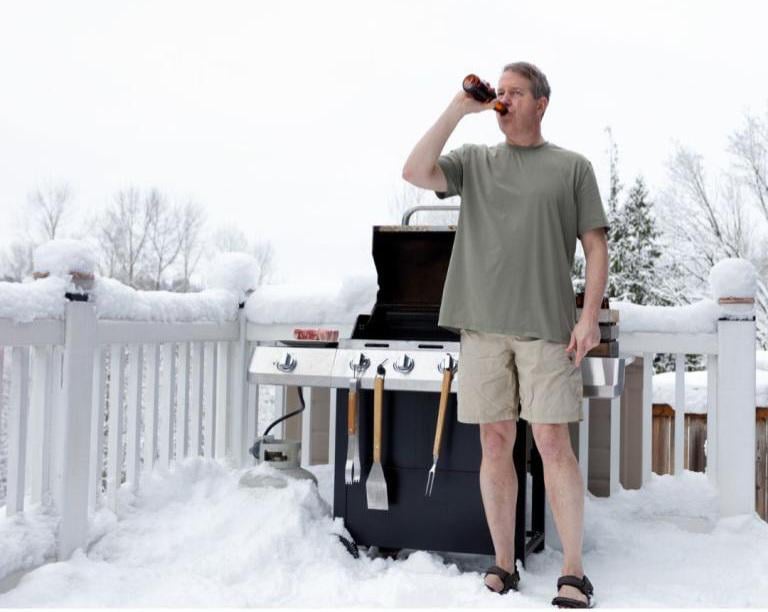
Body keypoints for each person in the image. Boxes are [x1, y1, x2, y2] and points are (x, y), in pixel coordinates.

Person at [402, 62, 609, 608]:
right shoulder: (475, 161)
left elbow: (595, 246)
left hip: (546, 329)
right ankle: (502, 562)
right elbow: (415, 172)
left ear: (541, 103)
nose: (505, 99)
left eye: (516, 92)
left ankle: (573, 572)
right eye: (502, 91)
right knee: (495, 443)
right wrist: (458, 108)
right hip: (483, 328)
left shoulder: (572, 168)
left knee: (552, 444)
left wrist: (587, 318)